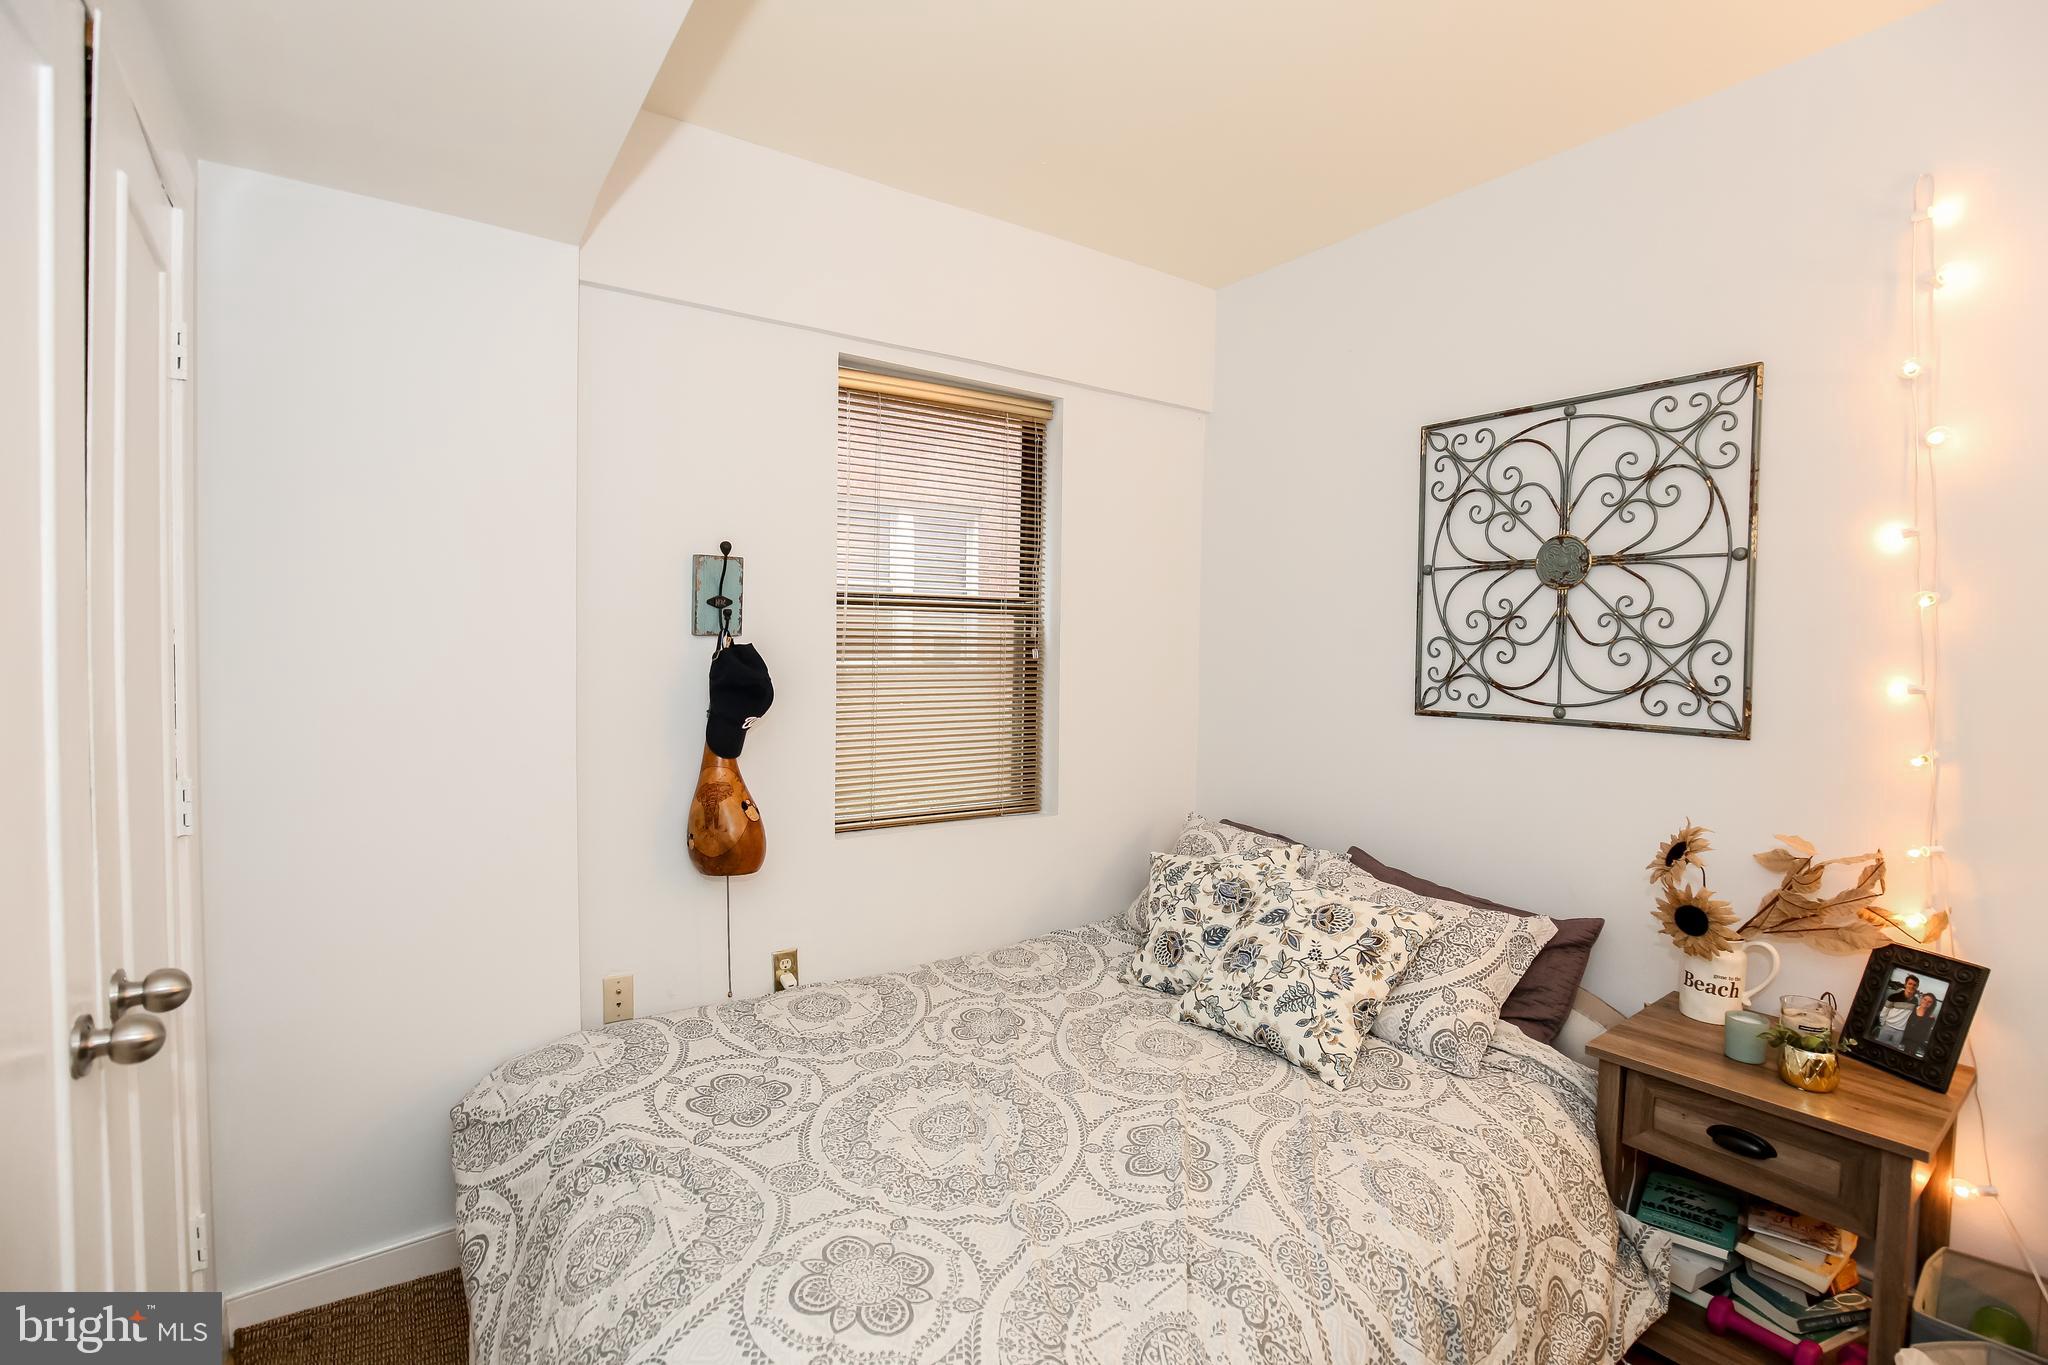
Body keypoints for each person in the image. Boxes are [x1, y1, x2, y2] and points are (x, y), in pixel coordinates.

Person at [1875, 973, 1919, 1048]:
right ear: (1905, 984)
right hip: (1887, 1027)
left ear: (1917, 987)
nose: (1912, 986)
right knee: (1878, 1047)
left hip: (1900, 1031)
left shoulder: (1915, 1001)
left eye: (1914, 985)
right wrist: (1883, 1024)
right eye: (1910, 984)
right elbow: (1884, 1013)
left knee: (1893, 1051)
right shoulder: (1893, 997)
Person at [1902, 990, 1940, 1057]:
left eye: (1929, 1002)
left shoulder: (1931, 1018)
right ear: (1921, 999)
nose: (1926, 1002)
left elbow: (1924, 1034)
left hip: (1914, 1043)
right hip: (1902, 1037)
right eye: (1925, 999)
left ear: (1932, 1004)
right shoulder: (1911, 1008)